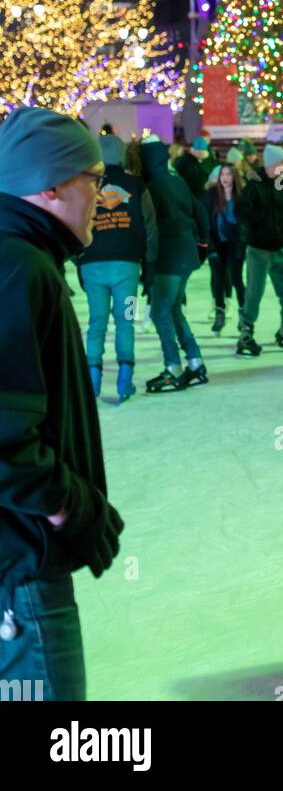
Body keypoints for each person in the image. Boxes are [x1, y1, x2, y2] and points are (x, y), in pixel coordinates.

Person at [0, 107, 124, 699]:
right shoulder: (18, 268)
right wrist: (68, 506)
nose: (102, 195)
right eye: (93, 179)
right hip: (19, 566)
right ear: (50, 185)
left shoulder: (22, 259)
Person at [77, 132, 157, 402]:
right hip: (128, 267)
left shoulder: (87, 185)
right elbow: (149, 225)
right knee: (127, 321)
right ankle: (125, 380)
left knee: (96, 323)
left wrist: (80, 262)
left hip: (93, 266)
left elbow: (76, 224)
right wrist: (149, 263)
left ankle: (93, 379)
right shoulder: (136, 183)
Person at [139, 137, 210, 392]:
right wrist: (202, 246)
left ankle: (173, 367)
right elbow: (200, 212)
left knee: (160, 312)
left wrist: (147, 265)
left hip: (167, 258)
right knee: (175, 309)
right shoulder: (177, 181)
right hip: (186, 255)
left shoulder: (151, 187)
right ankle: (195, 361)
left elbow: (148, 229)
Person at [236, 145, 283, 356]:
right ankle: (246, 332)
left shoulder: (282, 182)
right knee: (254, 292)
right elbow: (240, 212)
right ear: (271, 165)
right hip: (258, 248)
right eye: (282, 163)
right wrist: (256, 222)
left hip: (280, 245)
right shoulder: (254, 185)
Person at [205, 163, 246, 333]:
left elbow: (246, 223)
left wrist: (244, 242)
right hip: (217, 244)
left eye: (228, 174)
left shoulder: (242, 197)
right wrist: (210, 247)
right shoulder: (212, 196)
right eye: (223, 174)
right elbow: (205, 223)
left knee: (237, 279)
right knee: (218, 278)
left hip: (235, 245)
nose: (225, 178)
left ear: (234, 177)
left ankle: (244, 315)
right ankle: (219, 313)